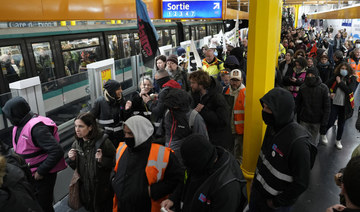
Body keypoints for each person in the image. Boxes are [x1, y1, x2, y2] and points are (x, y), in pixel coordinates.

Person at [249, 87, 317, 212]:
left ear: (281, 111)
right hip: (258, 193)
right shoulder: (272, 127)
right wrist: (255, 181)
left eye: (268, 108)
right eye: (263, 107)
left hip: (275, 206)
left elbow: (301, 183)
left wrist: (276, 202)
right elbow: (263, 157)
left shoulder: (298, 143)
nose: (264, 111)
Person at [2, 96, 67, 212]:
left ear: (15, 113)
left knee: (43, 206)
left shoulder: (37, 128)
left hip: (42, 175)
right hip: (30, 173)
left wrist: (41, 172)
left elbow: (57, 151)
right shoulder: (19, 125)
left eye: (9, 116)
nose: (9, 119)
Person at [112, 115, 183, 212]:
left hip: (147, 207)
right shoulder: (122, 148)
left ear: (141, 133)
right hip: (122, 206)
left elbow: (177, 180)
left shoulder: (163, 154)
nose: (126, 137)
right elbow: (115, 168)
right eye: (125, 133)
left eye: (130, 134)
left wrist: (153, 191)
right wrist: (113, 180)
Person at [160, 134, 247, 212]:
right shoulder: (200, 163)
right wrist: (173, 199)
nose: (187, 168)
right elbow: (186, 182)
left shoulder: (226, 188)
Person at [67, 112, 115, 212]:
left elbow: (115, 163)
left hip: (102, 191)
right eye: (75, 126)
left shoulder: (103, 142)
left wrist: (102, 160)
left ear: (90, 127)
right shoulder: (76, 144)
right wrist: (72, 160)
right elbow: (77, 168)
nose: (77, 129)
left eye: (81, 126)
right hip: (86, 190)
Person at [161, 87, 209, 163]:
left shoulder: (194, 117)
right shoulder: (168, 113)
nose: (172, 109)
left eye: (174, 106)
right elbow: (166, 133)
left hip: (185, 160)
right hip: (167, 158)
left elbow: (202, 141)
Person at [189, 70, 233, 151]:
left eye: (193, 83)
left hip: (219, 141)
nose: (191, 85)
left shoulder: (217, 98)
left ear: (201, 84)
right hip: (205, 138)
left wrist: (203, 111)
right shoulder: (195, 96)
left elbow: (223, 121)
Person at [322, 62, 356, 149]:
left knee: (341, 124)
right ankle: (323, 134)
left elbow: (349, 90)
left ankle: (338, 140)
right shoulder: (335, 77)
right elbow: (325, 85)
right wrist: (330, 93)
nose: (343, 70)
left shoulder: (352, 79)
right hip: (334, 104)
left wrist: (340, 83)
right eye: (342, 68)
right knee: (330, 121)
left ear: (348, 70)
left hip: (345, 106)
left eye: (345, 69)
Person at [90, 79, 132, 147]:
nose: (121, 91)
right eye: (118, 89)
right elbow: (90, 118)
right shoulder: (100, 102)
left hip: (120, 137)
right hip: (105, 138)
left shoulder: (122, 100)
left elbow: (125, 119)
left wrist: (127, 110)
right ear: (112, 91)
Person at [296, 67, 331, 146]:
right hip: (304, 119)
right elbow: (298, 104)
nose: (310, 77)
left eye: (312, 75)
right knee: (302, 142)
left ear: (317, 76)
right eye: (308, 75)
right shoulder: (303, 87)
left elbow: (327, 107)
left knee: (313, 143)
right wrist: (298, 117)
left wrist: (324, 123)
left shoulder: (324, 88)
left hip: (317, 121)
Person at [224, 69, 246, 163]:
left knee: (238, 154)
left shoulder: (245, 93)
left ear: (241, 80)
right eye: (232, 80)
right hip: (229, 128)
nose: (234, 83)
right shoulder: (226, 91)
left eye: (236, 80)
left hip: (240, 130)